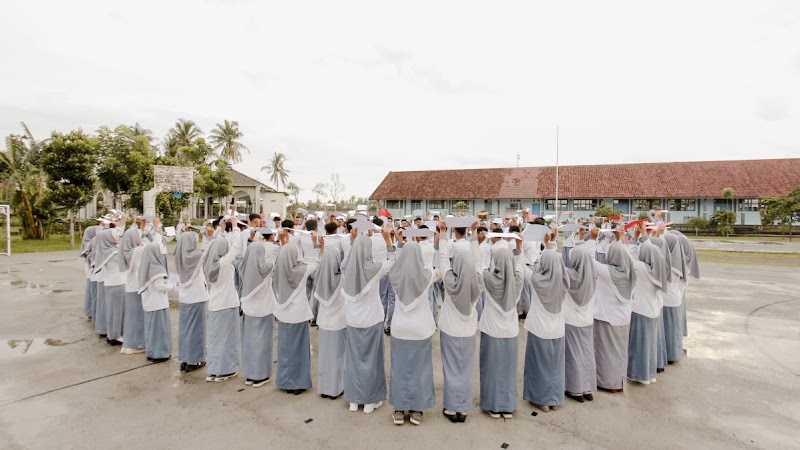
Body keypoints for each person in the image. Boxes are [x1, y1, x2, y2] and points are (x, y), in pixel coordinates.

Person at [341, 230, 395, 414]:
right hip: (372, 319)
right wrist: (389, 241)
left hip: (353, 319)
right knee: (372, 360)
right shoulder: (375, 268)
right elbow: (393, 262)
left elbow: (348, 257)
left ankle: (354, 400)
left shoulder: (345, 267)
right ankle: (370, 400)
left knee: (355, 360)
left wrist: (352, 241)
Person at [387, 239, 437, 426]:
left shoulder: (394, 274)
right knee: (420, 369)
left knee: (399, 369)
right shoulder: (427, 274)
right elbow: (439, 268)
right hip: (421, 329)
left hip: (400, 328)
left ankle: (399, 409)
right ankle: (417, 409)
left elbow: (392, 259)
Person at [479, 240, 524, 419]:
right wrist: (518, 249)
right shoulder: (518, 281)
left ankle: (493, 405)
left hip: (491, 330)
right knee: (508, 369)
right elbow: (520, 265)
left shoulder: (489, 279)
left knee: (491, 368)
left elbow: (480, 266)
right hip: (511, 331)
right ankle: (508, 405)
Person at [439, 238, 482, 423]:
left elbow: (442, 260)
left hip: (450, 329)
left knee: (450, 370)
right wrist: (473, 239)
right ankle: (463, 408)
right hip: (468, 331)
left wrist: (441, 237)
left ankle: (450, 407)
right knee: (466, 369)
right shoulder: (478, 283)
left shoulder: (449, 280)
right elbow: (479, 263)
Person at [523, 250, 569, 412]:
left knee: (538, 365)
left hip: (539, 328)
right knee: (554, 366)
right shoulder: (564, 282)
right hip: (557, 329)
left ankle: (540, 399)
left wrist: (519, 249)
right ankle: (554, 399)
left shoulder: (537, 280)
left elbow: (523, 268)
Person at [273, 235, 318, 395]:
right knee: (299, 350)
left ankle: (285, 381)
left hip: (283, 314)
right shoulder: (299, 271)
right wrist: (316, 245)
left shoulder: (277, 270)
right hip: (298, 315)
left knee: (285, 349)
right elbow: (316, 263)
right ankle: (298, 383)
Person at [593, 244, 637, 393]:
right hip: (623, 317)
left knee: (606, 352)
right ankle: (619, 381)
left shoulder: (608, 272)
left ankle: (608, 383)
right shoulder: (629, 272)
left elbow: (589, 261)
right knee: (620, 352)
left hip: (608, 317)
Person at [240, 232, 279, 388]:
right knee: (262, 343)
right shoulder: (266, 268)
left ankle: (249, 374)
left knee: (249, 342)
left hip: (249, 310)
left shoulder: (243, 270)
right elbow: (274, 259)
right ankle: (261, 375)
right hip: (264, 310)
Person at [628, 242, 669, 385]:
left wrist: (632, 240)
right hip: (653, 311)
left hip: (640, 311)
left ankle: (640, 374)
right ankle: (650, 373)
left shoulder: (642, 268)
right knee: (650, 345)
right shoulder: (658, 270)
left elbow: (628, 257)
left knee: (639, 345)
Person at [563, 246, 598, 403]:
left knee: (573, 355)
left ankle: (575, 389)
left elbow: (555, 269)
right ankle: (587, 388)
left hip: (571, 319)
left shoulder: (571, 276)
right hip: (587, 320)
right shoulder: (593, 276)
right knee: (586, 354)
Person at [314, 237, 347, 400]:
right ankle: (336, 388)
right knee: (338, 357)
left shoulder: (319, 276)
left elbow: (319, 262)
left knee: (324, 357)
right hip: (339, 323)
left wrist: (320, 249)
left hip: (323, 322)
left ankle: (324, 387)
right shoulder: (342, 279)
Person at [204, 238, 241, 382]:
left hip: (214, 304)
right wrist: (235, 226)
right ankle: (225, 370)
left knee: (215, 339)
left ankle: (213, 370)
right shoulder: (223, 263)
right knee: (227, 340)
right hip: (227, 303)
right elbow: (236, 248)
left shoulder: (210, 264)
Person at [175, 231, 209, 373]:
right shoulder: (195, 256)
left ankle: (185, 358)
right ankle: (194, 360)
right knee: (197, 330)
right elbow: (210, 250)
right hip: (197, 297)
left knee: (185, 329)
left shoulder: (179, 255)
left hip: (184, 297)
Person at [137, 242, 176, 363]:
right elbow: (159, 285)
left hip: (149, 302)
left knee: (151, 329)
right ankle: (160, 353)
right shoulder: (156, 267)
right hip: (158, 303)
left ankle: (152, 351)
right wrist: (174, 286)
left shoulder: (146, 265)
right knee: (160, 330)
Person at [93, 228, 123, 344]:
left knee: (113, 310)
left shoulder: (105, 250)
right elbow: (127, 259)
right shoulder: (113, 252)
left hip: (111, 283)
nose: (117, 237)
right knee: (116, 311)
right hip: (117, 283)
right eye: (115, 236)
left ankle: (112, 333)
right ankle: (115, 335)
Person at [120, 227, 146, 355]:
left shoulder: (126, 250)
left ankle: (128, 343)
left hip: (130, 285)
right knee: (138, 317)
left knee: (130, 316)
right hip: (137, 286)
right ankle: (136, 344)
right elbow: (154, 247)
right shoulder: (137, 251)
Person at [662, 233, 686, 364]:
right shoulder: (677, 262)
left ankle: (670, 354)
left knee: (668, 329)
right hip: (675, 298)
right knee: (673, 328)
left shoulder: (668, 264)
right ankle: (674, 353)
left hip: (667, 300)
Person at [80, 225, 99, 321]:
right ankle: (91, 312)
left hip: (93, 272)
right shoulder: (90, 245)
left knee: (92, 292)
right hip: (93, 271)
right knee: (93, 292)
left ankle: (90, 311)